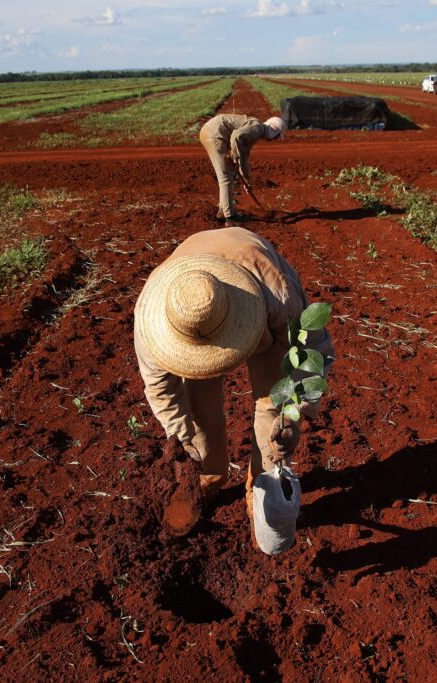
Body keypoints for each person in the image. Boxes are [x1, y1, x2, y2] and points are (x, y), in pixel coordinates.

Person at [134, 226, 334, 541]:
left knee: (273, 406)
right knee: (199, 406)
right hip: (200, 298)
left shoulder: (277, 293)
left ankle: (261, 490)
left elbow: (313, 354)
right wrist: (184, 442)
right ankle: (209, 476)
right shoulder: (155, 320)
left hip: (264, 316)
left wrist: (295, 416)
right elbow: (162, 390)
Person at [199, 114, 286, 227]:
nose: (275, 139)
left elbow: (243, 156)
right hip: (214, 135)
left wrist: (246, 179)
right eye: (277, 136)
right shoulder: (258, 128)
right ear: (275, 130)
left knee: (227, 175)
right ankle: (230, 217)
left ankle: (222, 210)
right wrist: (234, 157)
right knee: (225, 176)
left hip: (210, 132)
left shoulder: (254, 133)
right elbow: (236, 136)